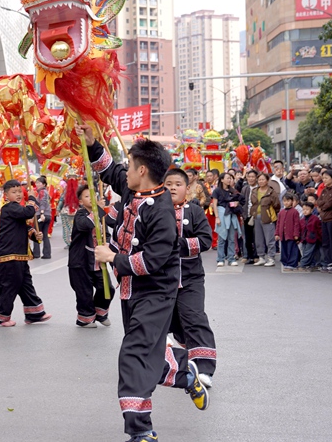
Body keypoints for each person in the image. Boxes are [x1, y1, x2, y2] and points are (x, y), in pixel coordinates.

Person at [81, 126, 209, 442]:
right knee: (148, 351)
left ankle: (141, 429)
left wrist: (112, 258)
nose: (124, 171)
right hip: (131, 291)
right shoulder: (134, 190)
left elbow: (152, 261)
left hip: (156, 292)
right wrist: (91, 142)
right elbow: (108, 171)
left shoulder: (165, 211)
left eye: (130, 165)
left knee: (133, 353)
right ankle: (183, 371)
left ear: (142, 170)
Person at [164, 169, 217, 387]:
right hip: (162, 280)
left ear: (187, 188)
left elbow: (205, 240)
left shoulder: (194, 211)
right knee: (173, 323)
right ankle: (178, 361)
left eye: (178, 184)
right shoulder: (155, 211)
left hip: (191, 277)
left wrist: (177, 245)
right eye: (168, 184)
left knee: (194, 317)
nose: (173, 188)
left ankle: (204, 367)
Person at [0, 180, 51, 326]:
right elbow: (28, 212)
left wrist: (35, 235)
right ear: (6, 195)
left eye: (20, 192)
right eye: (14, 192)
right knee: (10, 284)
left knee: (25, 283)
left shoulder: (16, 210)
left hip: (19, 254)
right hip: (9, 255)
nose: (18, 195)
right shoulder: (9, 208)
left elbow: (23, 228)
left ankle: (34, 313)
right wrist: (33, 198)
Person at [68, 184, 114, 328]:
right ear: (81, 201)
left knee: (107, 288)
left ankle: (100, 313)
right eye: (87, 196)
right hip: (81, 261)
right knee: (84, 291)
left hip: (97, 260)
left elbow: (106, 233)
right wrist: (98, 210)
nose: (92, 199)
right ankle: (85, 318)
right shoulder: (80, 214)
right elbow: (85, 225)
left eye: (93, 195)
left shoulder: (101, 216)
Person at [211, 172, 243, 267]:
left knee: (231, 238)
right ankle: (220, 259)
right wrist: (217, 217)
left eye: (230, 178)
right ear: (222, 179)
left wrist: (236, 204)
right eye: (228, 178)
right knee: (222, 238)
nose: (229, 180)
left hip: (231, 215)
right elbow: (214, 205)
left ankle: (231, 258)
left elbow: (238, 201)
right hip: (221, 214)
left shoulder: (233, 191)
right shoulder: (217, 191)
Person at [250, 173, 280, 267]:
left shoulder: (271, 192)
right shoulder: (255, 191)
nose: (261, 181)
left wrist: (270, 213)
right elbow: (253, 203)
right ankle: (261, 257)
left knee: (269, 238)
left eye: (263, 179)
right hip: (257, 216)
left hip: (268, 217)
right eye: (259, 180)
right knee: (258, 239)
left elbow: (277, 205)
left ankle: (271, 258)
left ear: (267, 180)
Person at [316, 170, 332, 272]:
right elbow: (319, 201)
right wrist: (322, 206)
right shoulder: (324, 190)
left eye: (326, 178)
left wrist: (322, 206)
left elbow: (329, 204)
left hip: (331, 218)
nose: (324, 180)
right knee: (325, 242)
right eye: (323, 178)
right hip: (324, 218)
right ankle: (328, 262)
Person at [276, 193, 301, 271]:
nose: (286, 203)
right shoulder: (281, 212)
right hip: (283, 234)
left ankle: (292, 263)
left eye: (288, 201)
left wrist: (296, 234)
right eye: (284, 201)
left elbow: (297, 224)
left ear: (292, 201)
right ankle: (285, 262)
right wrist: (277, 233)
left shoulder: (295, 212)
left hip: (291, 234)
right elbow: (278, 223)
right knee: (284, 249)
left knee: (292, 249)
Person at [30, 176, 53, 259]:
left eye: (39, 183)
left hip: (41, 214)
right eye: (36, 183)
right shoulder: (45, 192)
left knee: (37, 233)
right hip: (48, 215)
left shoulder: (42, 192)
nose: (37, 184)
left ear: (43, 184)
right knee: (45, 235)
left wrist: (42, 213)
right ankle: (47, 254)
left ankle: (36, 253)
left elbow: (42, 202)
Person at [241, 170, 259, 264]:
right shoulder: (245, 189)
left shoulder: (260, 188)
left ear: (256, 178)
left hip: (257, 215)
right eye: (249, 177)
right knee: (247, 237)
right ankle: (248, 255)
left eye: (253, 177)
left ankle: (257, 255)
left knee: (257, 237)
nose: (251, 179)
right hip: (246, 215)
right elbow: (242, 202)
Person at [300, 202, 322, 271]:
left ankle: (302, 264)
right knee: (304, 251)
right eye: (303, 209)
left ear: (312, 210)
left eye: (307, 209)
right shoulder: (302, 220)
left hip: (312, 238)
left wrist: (320, 238)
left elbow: (319, 229)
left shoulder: (315, 219)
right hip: (303, 238)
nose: (305, 211)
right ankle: (311, 264)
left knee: (308, 252)